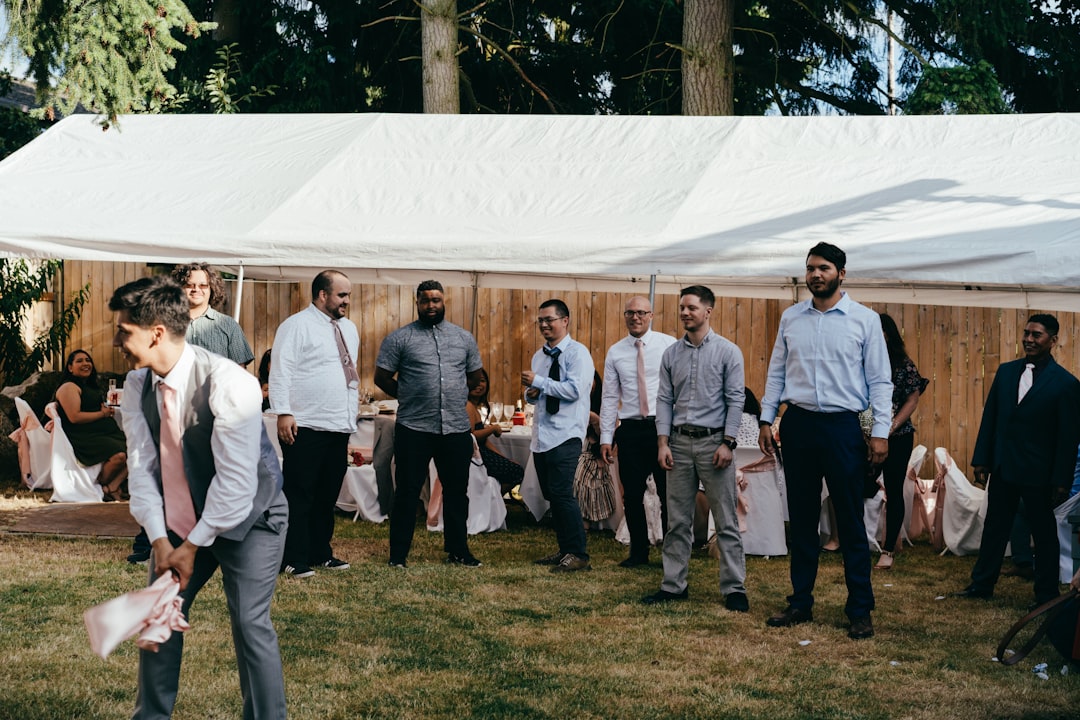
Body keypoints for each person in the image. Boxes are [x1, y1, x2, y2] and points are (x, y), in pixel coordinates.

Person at [110, 275, 288, 720]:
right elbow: (143, 468)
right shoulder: (135, 386)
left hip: (251, 516)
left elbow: (236, 486)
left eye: (123, 330)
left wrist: (191, 548)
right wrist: (161, 541)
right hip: (179, 514)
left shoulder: (231, 384)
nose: (116, 340)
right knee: (158, 616)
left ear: (155, 333)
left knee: (249, 623)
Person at [759, 242, 892, 640]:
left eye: (824, 268)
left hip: (841, 428)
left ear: (842, 274)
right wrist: (767, 418)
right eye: (811, 268)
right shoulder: (791, 318)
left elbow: (880, 381)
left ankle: (859, 609)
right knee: (801, 518)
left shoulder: (864, 320)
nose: (816, 274)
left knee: (849, 520)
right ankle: (800, 602)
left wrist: (881, 432)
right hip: (798, 424)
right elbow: (776, 370)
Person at [954, 313, 1080, 606]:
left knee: (1045, 534)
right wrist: (982, 460)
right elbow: (991, 418)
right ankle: (981, 584)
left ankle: (1046, 593)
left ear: (1052, 340)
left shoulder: (1066, 384)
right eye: (1026, 333)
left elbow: (1067, 438)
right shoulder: (1006, 372)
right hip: (1004, 467)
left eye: (1036, 335)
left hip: (1040, 474)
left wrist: (1061, 480)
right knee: (995, 529)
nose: (1029, 339)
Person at [644, 285, 748, 611]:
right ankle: (673, 585)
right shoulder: (672, 354)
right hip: (677, 444)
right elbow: (664, 400)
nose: (685, 313)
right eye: (682, 308)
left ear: (708, 311)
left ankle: (734, 589)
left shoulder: (728, 352)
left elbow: (736, 400)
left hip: (713, 444)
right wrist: (662, 442)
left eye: (691, 307)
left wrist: (728, 443)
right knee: (677, 521)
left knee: (726, 519)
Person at [375, 280, 485, 568]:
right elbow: (381, 377)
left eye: (436, 300)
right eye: (425, 301)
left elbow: (474, 377)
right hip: (414, 428)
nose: (431, 305)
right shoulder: (400, 338)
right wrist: (409, 395)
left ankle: (458, 550)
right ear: (417, 303)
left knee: (456, 493)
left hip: (455, 428)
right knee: (408, 492)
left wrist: (456, 393)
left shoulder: (463, 338)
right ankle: (398, 555)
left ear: (444, 300)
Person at [270, 270, 359, 578]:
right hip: (304, 424)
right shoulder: (296, 326)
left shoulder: (349, 328)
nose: (347, 300)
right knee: (299, 494)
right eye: (342, 295)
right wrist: (283, 411)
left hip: (338, 424)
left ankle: (321, 552)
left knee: (327, 495)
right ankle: (291, 557)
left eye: (348, 294)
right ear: (323, 295)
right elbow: (281, 370)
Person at [599, 295, 676, 568]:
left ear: (651, 315)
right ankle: (638, 553)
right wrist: (606, 438)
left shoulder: (669, 345)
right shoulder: (616, 351)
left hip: (662, 429)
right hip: (630, 429)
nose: (636, 317)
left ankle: (672, 554)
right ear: (625, 316)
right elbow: (609, 398)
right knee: (631, 494)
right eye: (630, 313)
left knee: (669, 494)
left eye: (641, 312)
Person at [522, 298, 595, 573]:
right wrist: (531, 394)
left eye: (549, 319)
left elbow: (575, 390)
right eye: (540, 320)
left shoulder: (578, 354)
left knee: (563, 494)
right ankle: (565, 550)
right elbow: (540, 395)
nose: (543, 325)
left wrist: (539, 382)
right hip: (542, 435)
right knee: (553, 495)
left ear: (565, 321)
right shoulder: (539, 357)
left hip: (566, 434)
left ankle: (579, 554)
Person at [875, 312, 929, 570]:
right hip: (863, 433)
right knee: (856, 484)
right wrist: (868, 430)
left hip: (898, 435)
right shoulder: (859, 361)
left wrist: (889, 427)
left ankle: (888, 550)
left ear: (889, 334)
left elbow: (912, 399)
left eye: (880, 330)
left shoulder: (903, 364)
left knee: (894, 489)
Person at [53, 349, 128, 501]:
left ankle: (111, 487)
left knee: (137, 449)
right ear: (70, 367)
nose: (85, 364)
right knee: (119, 456)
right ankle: (99, 486)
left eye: (88, 360)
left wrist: (104, 410)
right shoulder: (69, 387)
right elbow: (74, 417)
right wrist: (103, 414)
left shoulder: (90, 386)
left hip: (103, 432)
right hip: (83, 437)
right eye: (79, 361)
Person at [171, 263, 254, 366]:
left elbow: (239, 370)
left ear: (212, 289)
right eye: (189, 285)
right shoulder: (166, 323)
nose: (196, 289)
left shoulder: (229, 325)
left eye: (203, 285)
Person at [467, 367, 525, 495]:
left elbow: (485, 441)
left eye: (482, 380)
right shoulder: (468, 406)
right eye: (473, 380)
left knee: (514, 468)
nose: (478, 384)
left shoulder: (473, 406)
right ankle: (489, 501)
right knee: (516, 472)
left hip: (482, 452)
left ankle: (490, 500)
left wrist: (505, 458)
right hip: (474, 457)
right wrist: (492, 429)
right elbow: (471, 436)